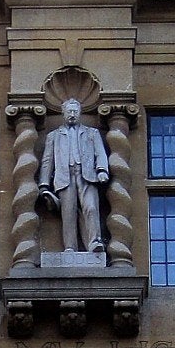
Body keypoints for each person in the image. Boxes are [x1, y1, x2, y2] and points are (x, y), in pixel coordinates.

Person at [38, 98, 109, 253]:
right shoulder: (53, 136)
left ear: (80, 113)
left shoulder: (92, 133)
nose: (72, 114)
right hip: (64, 177)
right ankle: (70, 247)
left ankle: (95, 242)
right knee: (68, 213)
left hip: (87, 176)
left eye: (75, 112)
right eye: (69, 112)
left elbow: (100, 153)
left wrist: (102, 170)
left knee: (90, 207)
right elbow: (47, 161)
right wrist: (44, 185)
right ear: (63, 114)